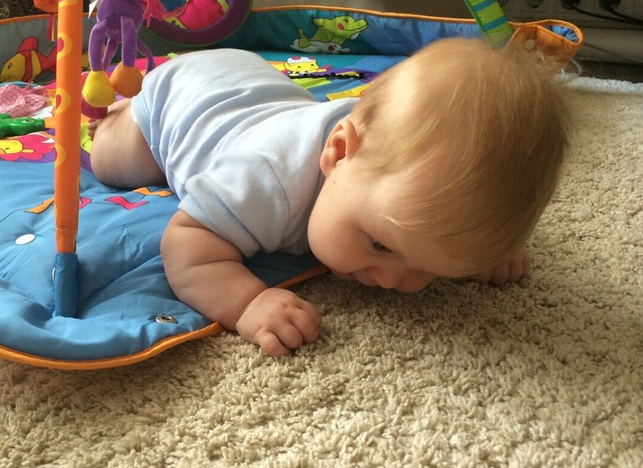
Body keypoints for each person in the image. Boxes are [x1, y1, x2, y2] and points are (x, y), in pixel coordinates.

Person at [88, 38, 571, 356]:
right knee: (113, 162)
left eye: (434, 271)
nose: (395, 282)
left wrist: (482, 248)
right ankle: (121, 113)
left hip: (251, 79)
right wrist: (247, 304)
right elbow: (186, 243)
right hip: (180, 100)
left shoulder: (382, 165)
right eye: (380, 245)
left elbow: (461, 198)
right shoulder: (265, 181)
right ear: (337, 154)